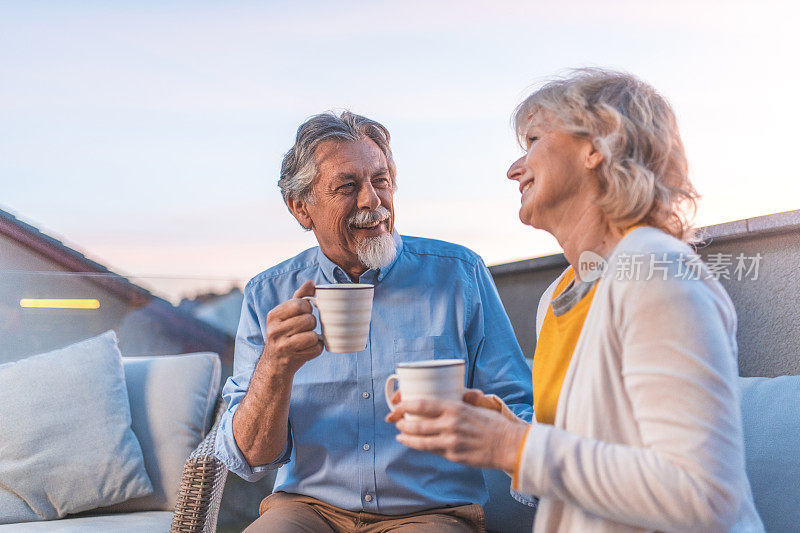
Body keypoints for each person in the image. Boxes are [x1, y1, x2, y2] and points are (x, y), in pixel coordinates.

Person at [388, 69, 765, 532]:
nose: (514, 168)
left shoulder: (656, 273)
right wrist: (507, 431)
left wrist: (513, 445)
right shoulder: (563, 293)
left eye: (533, 140)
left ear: (597, 144)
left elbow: (702, 494)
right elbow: (587, 467)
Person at [214, 111, 534, 532]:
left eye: (380, 181)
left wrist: (555, 471)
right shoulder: (268, 295)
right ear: (300, 208)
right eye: (347, 186)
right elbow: (249, 458)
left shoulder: (459, 273)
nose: (372, 200)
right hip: (308, 509)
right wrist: (275, 366)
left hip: (430, 511)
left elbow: (514, 401)